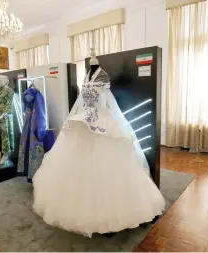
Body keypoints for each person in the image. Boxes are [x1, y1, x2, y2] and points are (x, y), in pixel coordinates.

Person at [32, 66, 165, 238]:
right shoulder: (87, 75)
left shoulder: (103, 75)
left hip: (102, 123)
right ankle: (89, 213)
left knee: (107, 171)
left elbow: (106, 103)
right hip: (84, 125)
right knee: (82, 171)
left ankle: (111, 217)